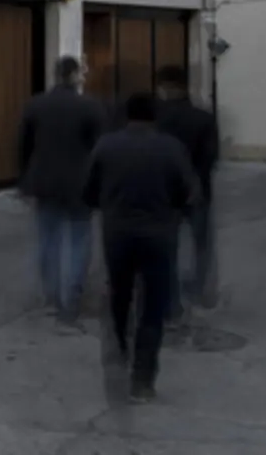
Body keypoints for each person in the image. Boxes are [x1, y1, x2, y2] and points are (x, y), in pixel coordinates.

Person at [83, 91, 197, 403]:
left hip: (117, 232)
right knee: (153, 307)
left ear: (125, 115)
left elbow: (89, 191)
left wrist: (107, 204)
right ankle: (143, 380)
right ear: (154, 116)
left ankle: (119, 348)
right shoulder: (171, 148)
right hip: (159, 235)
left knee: (119, 294)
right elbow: (189, 194)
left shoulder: (107, 145)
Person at [16, 55, 105, 324]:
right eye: (82, 73)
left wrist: (24, 181)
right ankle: (71, 300)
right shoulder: (90, 107)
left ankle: (51, 296)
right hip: (80, 184)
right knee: (79, 240)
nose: (84, 77)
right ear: (74, 75)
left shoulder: (36, 104)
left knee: (48, 240)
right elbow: (101, 150)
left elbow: (23, 146)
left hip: (44, 183)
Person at [156, 63, 218, 314]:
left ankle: (169, 296)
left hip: (163, 193)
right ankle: (199, 290)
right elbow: (211, 158)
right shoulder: (204, 118)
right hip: (198, 190)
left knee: (166, 245)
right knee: (201, 244)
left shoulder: (155, 119)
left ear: (163, 87)